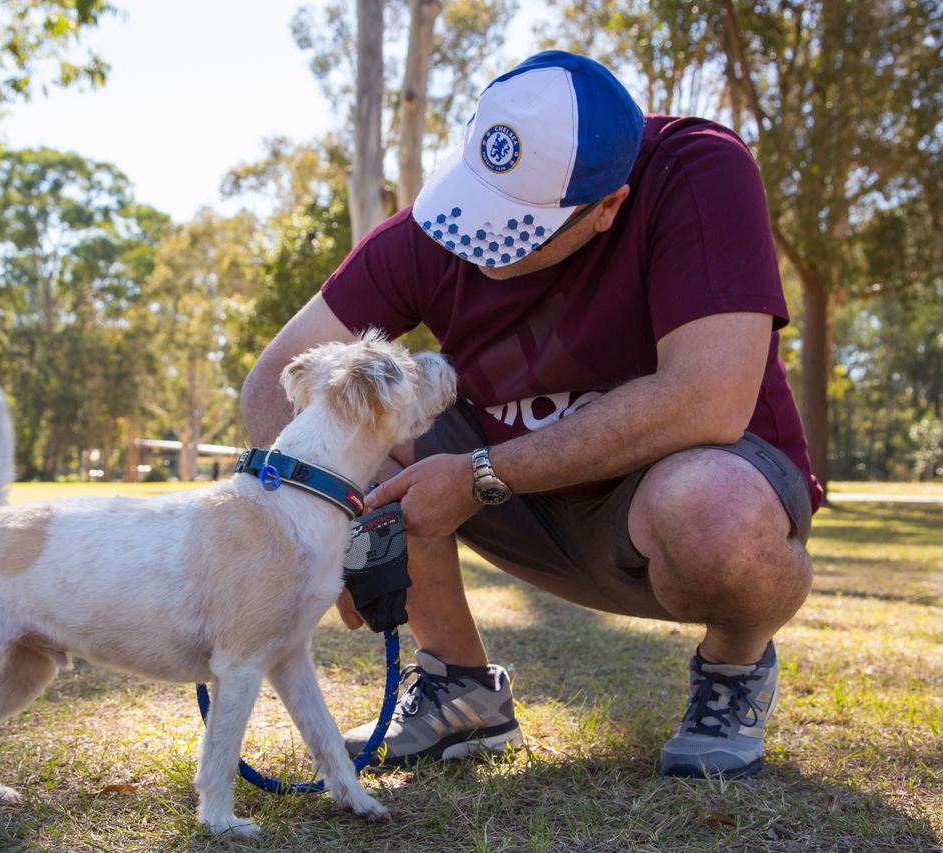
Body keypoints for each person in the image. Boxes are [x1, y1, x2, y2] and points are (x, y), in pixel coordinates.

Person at [240, 49, 822, 780]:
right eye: (479, 201)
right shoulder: (435, 227)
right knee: (363, 436)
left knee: (714, 510)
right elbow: (271, 385)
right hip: (521, 501)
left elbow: (708, 395)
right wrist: (337, 512)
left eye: (518, 226)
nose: (477, 242)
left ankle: (734, 670)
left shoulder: (697, 170)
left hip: (673, 498)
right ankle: (460, 685)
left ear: (608, 205)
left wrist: (482, 474)